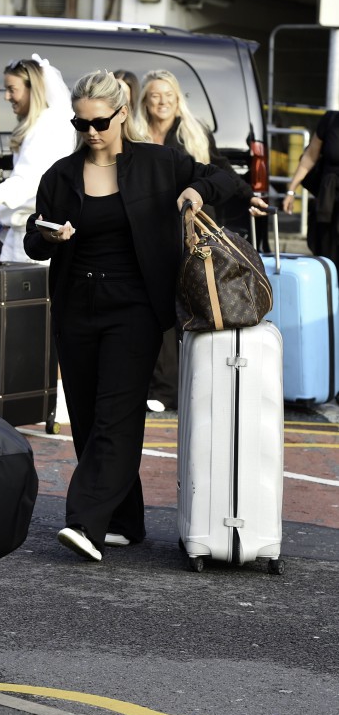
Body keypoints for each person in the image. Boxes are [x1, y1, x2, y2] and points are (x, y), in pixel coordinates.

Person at [23, 70, 239, 561]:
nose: (91, 132)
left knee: (116, 417)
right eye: (81, 122)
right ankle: (125, 520)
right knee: (86, 417)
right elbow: (35, 240)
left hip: (135, 307)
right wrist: (50, 237)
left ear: (122, 114)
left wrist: (198, 192)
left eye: (99, 121)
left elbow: (226, 176)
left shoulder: (159, 164)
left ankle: (86, 521)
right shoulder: (60, 174)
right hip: (77, 306)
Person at [135, 68, 268, 412]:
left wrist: (248, 197)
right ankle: (162, 387)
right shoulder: (133, 132)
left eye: (168, 95)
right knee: (155, 307)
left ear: (178, 99)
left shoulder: (194, 132)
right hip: (150, 231)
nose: (162, 101)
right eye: (155, 95)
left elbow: (220, 170)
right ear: (144, 101)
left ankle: (183, 385)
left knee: (191, 303)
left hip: (189, 232)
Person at [0, 55, 74, 262]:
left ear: (32, 89)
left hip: (31, 238)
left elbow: (30, 178)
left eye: (12, 89)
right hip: (24, 233)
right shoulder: (41, 123)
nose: (6, 97)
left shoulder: (46, 126)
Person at [282, 110, 339, 264]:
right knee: (327, 256)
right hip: (328, 202)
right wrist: (291, 191)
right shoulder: (331, 120)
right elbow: (310, 156)